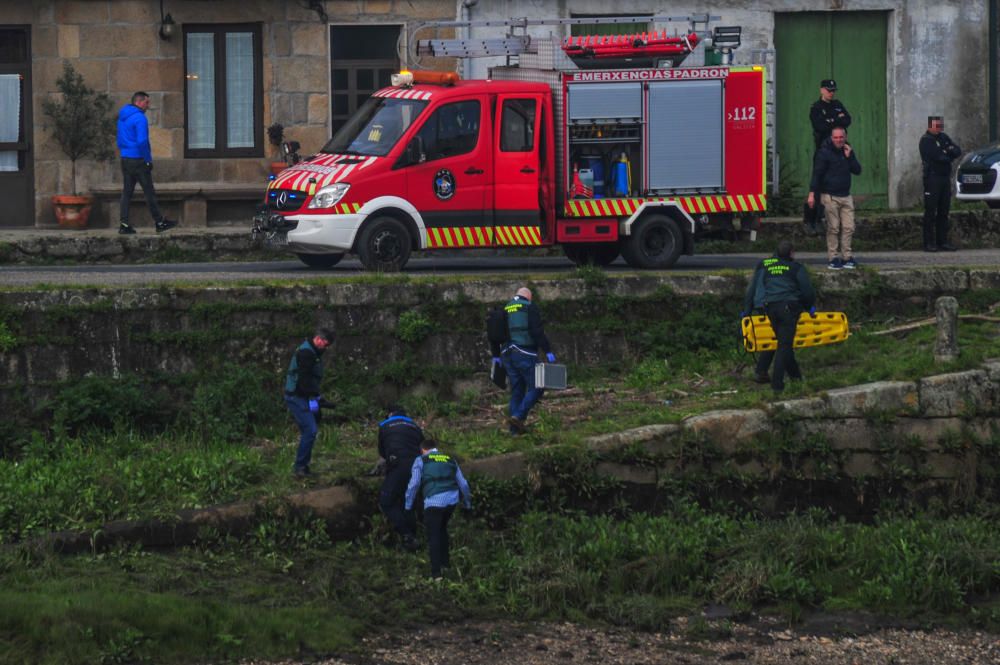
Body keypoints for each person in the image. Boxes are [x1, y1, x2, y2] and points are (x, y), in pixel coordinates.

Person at [742, 241, 816, 395]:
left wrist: (747, 310)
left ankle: (795, 377)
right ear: (791, 253)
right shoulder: (796, 268)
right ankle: (777, 385)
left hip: (770, 308)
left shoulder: (765, 264)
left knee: (782, 343)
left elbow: (752, 288)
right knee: (784, 346)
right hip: (789, 308)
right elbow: (807, 291)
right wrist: (809, 307)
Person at [404, 439, 472, 579]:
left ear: (423, 450)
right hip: (451, 501)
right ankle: (445, 564)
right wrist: (467, 503)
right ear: (436, 448)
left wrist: (408, 505)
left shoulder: (421, 460)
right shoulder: (449, 459)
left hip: (434, 502)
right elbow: (464, 484)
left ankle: (436, 574)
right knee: (442, 530)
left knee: (433, 535)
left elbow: (414, 484)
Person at [494, 287, 554, 435]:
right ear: (529, 297)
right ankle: (518, 416)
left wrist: (496, 355)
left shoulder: (505, 308)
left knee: (517, 391)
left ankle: (514, 431)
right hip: (524, 352)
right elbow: (537, 331)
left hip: (506, 354)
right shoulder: (529, 307)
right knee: (538, 387)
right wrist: (548, 351)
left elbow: (495, 333)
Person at [116, 91, 177, 235]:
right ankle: (159, 222)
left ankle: (124, 225)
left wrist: (125, 152)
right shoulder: (140, 118)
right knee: (149, 192)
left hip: (125, 158)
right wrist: (148, 160)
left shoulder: (122, 117)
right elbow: (142, 141)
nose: (148, 106)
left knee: (127, 193)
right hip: (138, 160)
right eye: (146, 102)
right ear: (138, 102)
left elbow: (119, 138)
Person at [808, 127, 862, 270]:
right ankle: (833, 258)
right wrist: (812, 193)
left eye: (841, 137)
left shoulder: (847, 151)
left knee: (849, 227)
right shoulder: (823, 153)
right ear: (831, 138)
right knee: (833, 228)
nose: (839, 140)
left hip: (846, 195)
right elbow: (817, 174)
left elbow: (857, 170)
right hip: (829, 196)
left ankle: (847, 257)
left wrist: (849, 156)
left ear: (845, 137)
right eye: (836, 137)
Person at [283, 329, 334, 477]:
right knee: (310, 430)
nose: (326, 348)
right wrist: (317, 397)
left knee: (313, 424)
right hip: (296, 397)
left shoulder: (311, 351)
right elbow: (304, 381)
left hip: (303, 396)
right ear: (318, 339)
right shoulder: (306, 354)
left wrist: (317, 400)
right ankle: (300, 468)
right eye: (325, 344)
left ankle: (304, 466)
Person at [377, 406, 424, 551]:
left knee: (386, 501)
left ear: (390, 414)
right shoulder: (414, 426)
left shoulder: (385, 425)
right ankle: (413, 538)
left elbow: (382, 451)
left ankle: (407, 536)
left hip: (398, 465)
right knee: (407, 501)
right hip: (418, 466)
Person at [919, 116, 963, 252]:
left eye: (940, 125)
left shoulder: (943, 137)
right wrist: (947, 152)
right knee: (931, 211)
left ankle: (942, 241)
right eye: (936, 125)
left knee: (944, 210)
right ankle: (928, 243)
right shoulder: (926, 140)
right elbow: (939, 157)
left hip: (944, 178)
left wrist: (947, 151)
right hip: (932, 178)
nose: (938, 128)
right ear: (930, 126)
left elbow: (956, 151)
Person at [809, 79, 852, 151]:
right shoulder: (816, 107)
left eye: (833, 91)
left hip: (840, 147)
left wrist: (830, 120)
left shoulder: (837, 104)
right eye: (829, 90)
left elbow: (847, 120)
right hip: (824, 148)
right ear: (822, 90)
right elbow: (821, 127)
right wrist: (837, 119)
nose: (831, 93)